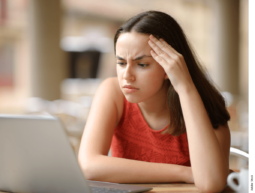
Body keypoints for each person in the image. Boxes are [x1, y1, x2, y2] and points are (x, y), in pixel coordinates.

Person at [78, 11, 231, 192]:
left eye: (142, 64)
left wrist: (185, 87)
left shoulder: (205, 107)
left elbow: (210, 183)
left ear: (170, 67)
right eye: (121, 63)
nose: (127, 76)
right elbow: (88, 166)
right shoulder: (113, 92)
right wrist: (184, 173)